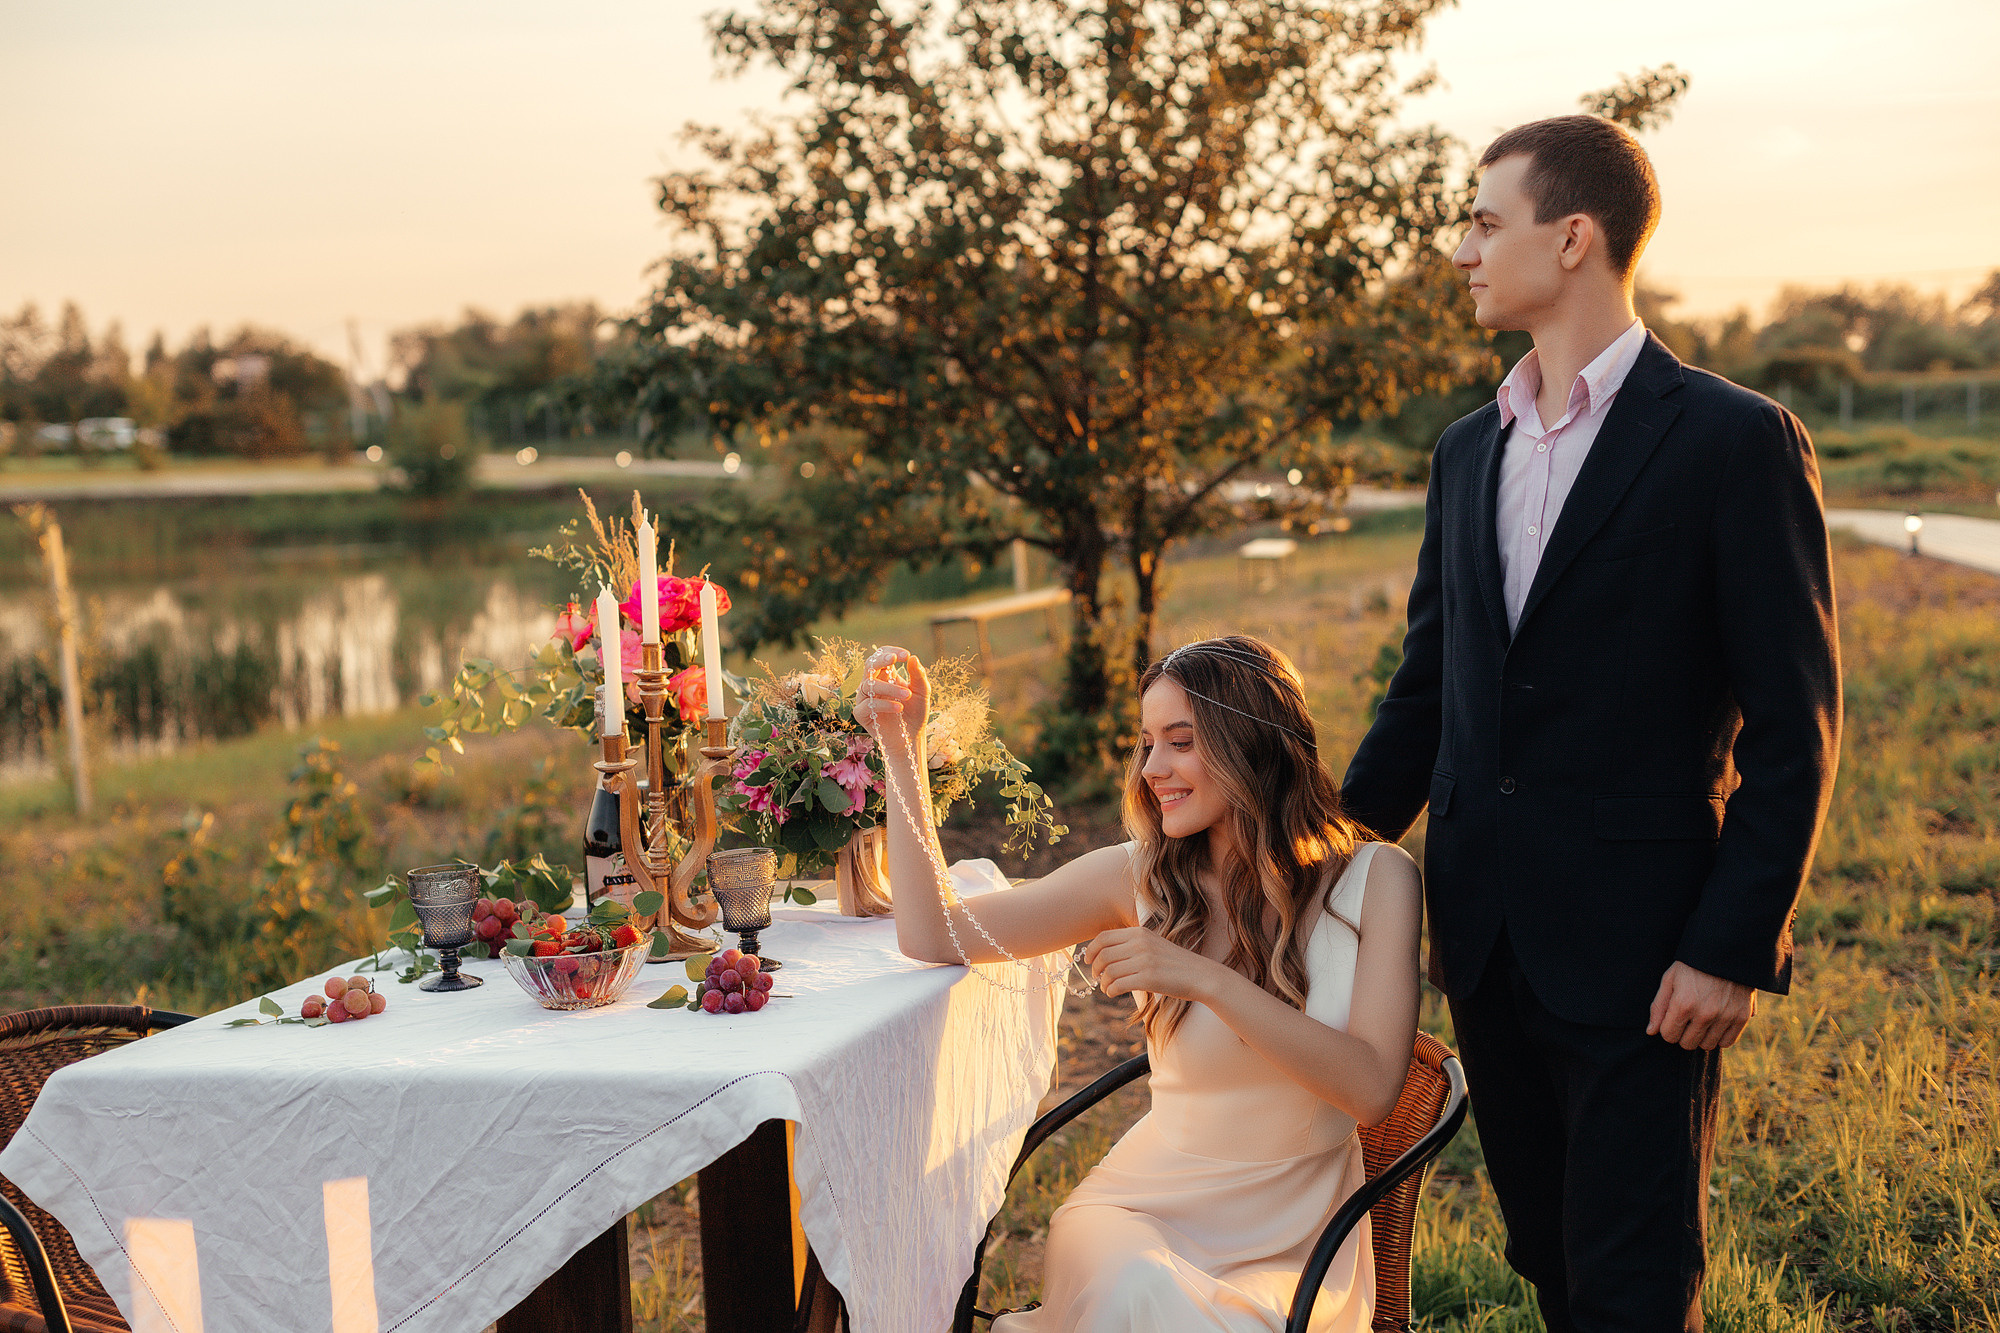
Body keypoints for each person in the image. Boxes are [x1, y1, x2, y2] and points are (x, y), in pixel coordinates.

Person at [1341, 115, 1841, 1332]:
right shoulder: (1465, 452)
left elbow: (1794, 722)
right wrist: (1305, 850)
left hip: (1645, 953)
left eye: (1480, 220)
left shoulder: (1731, 440)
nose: (1458, 248)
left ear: (1572, 237)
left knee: (1629, 1281)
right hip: (1485, 939)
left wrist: (1731, 943)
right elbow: (1426, 691)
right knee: (1547, 1260)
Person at [854, 635, 1422, 1332]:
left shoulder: (1379, 879)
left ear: (1252, 744)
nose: (1152, 767)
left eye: (1179, 741)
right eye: (1146, 743)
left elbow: (1370, 1087)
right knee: (1136, 1288)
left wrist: (1203, 978)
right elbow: (932, 932)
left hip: (1300, 1247)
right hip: (1138, 1215)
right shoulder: (1138, 877)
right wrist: (901, 748)